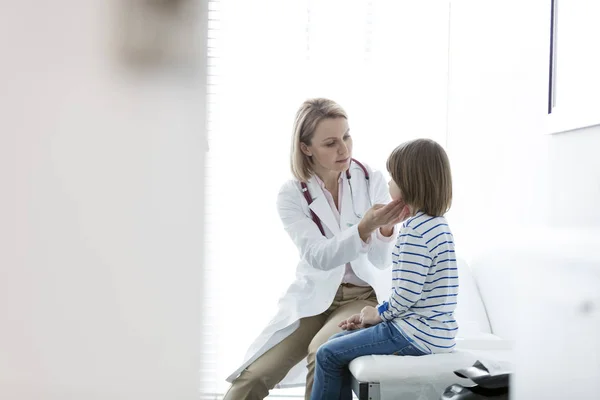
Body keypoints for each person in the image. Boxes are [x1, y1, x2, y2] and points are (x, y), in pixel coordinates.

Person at [224, 98, 406, 399]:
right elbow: (319, 257)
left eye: (346, 136)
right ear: (306, 147)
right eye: (331, 143)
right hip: (314, 297)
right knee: (252, 377)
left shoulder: (370, 179)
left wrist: (385, 228)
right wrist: (364, 228)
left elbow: (380, 260)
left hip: (361, 296)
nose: (344, 149)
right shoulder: (291, 194)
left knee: (320, 351)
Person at [310, 138, 458, 400]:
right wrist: (371, 318)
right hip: (434, 333)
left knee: (327, 353)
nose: (388, 183)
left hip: (415, 335)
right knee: (335, 343)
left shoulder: (415, 232)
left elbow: (406, 296)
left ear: (410, 182)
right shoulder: (437, 225)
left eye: (393, 177)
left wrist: (378, 314)